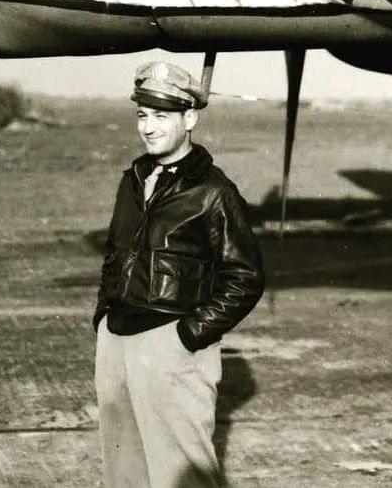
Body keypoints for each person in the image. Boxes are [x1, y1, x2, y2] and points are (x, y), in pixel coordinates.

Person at [93, 61, 265, 488]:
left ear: (190, 118)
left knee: (183, 475)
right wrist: (102, 319)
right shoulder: (133, 180)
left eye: (161, 115)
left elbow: (245, 277)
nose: (148, 128)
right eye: (142, 114)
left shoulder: (213, 192)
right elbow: (115, 255)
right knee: (124, 471)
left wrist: (187, 335)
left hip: (170, 346)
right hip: (116, 343)